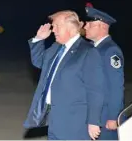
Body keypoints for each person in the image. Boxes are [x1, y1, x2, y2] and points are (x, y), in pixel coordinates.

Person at [23, 10, 105, 140]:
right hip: (54, 117)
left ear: (70, 27)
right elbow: (40, 62)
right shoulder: (56, 47)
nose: (53, 30)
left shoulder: (88, 52)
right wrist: (38, 39)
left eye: (56, 26)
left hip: (75, 121)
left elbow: (95, 90)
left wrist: (94, 121)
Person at [84, 6, 125, 140]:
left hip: (105, 116)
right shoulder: (92, 48)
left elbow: (116, 86)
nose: (85, 27)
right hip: (93, 113)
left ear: (101, 26)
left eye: (89, 24)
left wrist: (113, 117)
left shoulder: (111, 51)